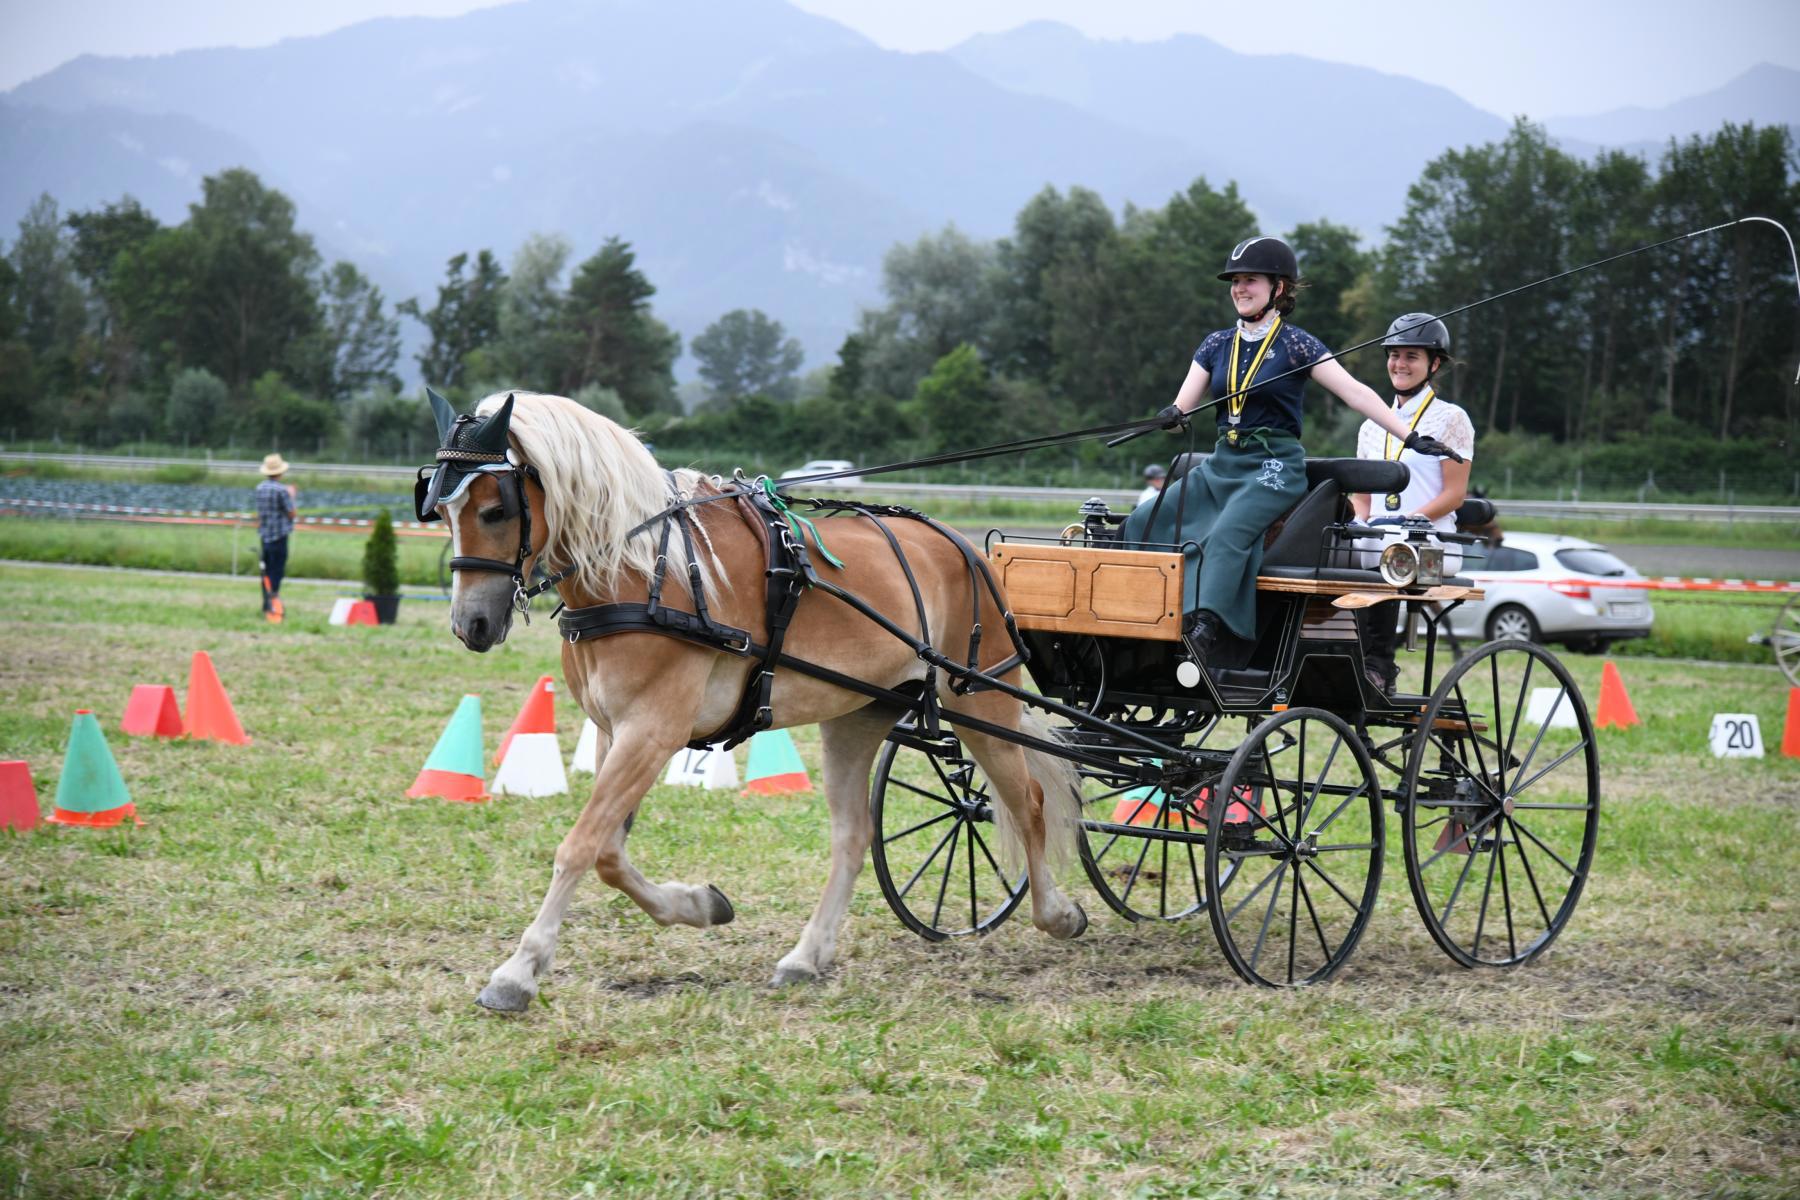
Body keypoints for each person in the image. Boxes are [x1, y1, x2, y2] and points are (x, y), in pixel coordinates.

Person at [1121, 236, 1463, 670]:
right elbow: (1182, 407)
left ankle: (1207, 627)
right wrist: (1168, 417)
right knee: (1143, 520)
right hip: (1223, 462)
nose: (1239, 289)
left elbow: (1355, 393)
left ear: (1278, 288)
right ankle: (1133, 615)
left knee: (1227, 534)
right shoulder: (1215, 344)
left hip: (1273, 467)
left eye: (1250, 280)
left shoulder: (1298, 345)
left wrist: (1409, 437)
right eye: (1235, 281)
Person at [1351, 313, 1476, 693]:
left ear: (1433, 364)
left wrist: (1408, 520)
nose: (1399, 364)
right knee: (1336, 550)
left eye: (1411, 356)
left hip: (1432, 540)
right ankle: (1338, 657)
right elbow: (1361, 496)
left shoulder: (1451, 419)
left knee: (1393, 550)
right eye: (1394, 355)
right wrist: (1357, 524)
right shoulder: (1371, 425)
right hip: (1379, 534)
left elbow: (1454, 494)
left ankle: (1379, 666)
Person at [254, 453, 297, 623]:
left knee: (266, 572)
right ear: (280, 472)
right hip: (279, 536)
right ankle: (273, 604)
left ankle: (266, 603)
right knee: (277, 571)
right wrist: (292, 496)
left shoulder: (259, 488)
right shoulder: (282, 490)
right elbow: (291, 513)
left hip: (264, 535)